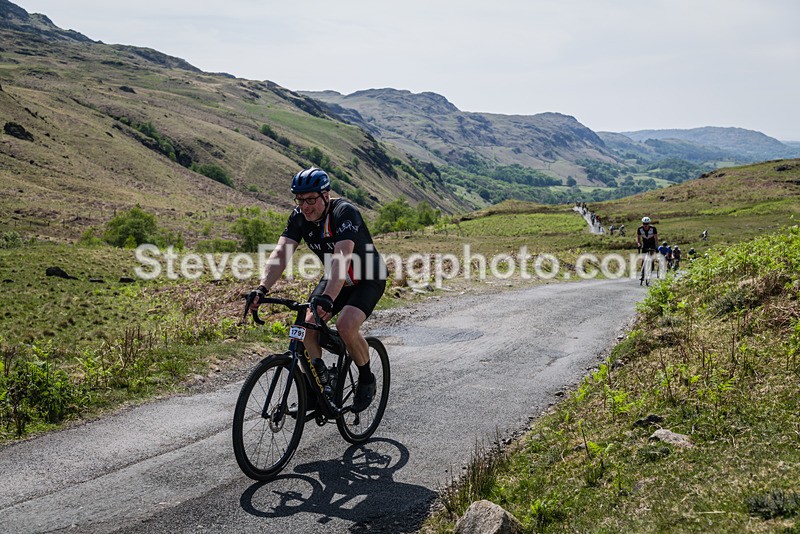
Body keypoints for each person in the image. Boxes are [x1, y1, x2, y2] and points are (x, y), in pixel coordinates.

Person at [250, 167, 387, 413]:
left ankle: (366, 378)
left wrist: (327, 298)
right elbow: (280, 254)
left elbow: (342, 258)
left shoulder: (344, 213)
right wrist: (261, 288)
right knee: (303, 330)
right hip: (336, 279)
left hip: (367, 278)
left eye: (311, 199)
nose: (305, 206)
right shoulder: (298, 218)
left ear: (326, 195)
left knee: (346, 325)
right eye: (300, 199)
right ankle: (316, 389)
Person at [636, 216, 658, 284]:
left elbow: (656, 238)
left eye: (647, 224)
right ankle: (642, 273)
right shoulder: (639, 229)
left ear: (649, 223)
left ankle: (651, 267)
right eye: (644, 224)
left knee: (651, 256)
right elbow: (638, 238)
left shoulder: (653, 228)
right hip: (645, 243)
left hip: (652, 243)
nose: (645, 225)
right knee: (643, 258)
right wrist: (639, 244)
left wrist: (656, 247)